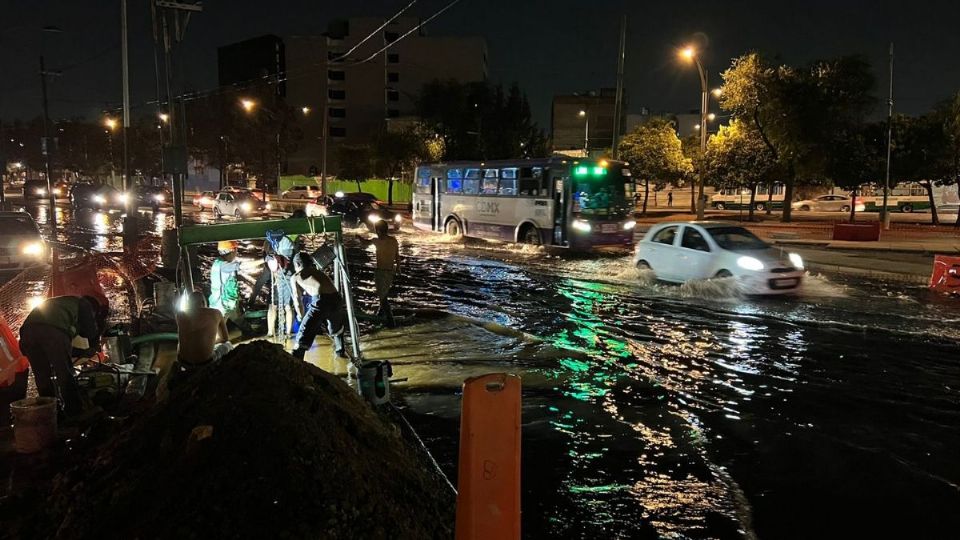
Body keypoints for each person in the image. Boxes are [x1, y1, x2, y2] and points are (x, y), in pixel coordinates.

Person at [19, 295, 107, 417]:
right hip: (53, 332)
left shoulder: (62, 304)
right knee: (64, 374)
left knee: (42, 377)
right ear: (94, 309)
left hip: (27, 333)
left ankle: (52, 414)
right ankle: (74, 411)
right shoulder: (84, 304)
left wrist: (81, 352)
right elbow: (89, 332)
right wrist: (95, 342)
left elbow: (59, 348)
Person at [290, 252, 347, 360]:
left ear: (297, 265)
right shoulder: (318, 272)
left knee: (303, 333)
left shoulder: (295, 277)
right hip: (337, 299)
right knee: (337, 330)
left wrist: (301, 316)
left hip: (321, 300)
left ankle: (296, 363)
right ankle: (341, 355)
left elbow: (297, 301)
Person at [176, 290, 233, 368]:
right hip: (205, 363)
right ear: (203, 302)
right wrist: (212, 342)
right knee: (228, 345)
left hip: (183, 362)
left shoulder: (180, 315)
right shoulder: (216, 313)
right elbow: (225, 338)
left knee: (179, 344)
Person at [209, 240, 255, 335]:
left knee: (237, 318)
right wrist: (264, 260)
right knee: (218, 330)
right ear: (233, 250)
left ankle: (249, 332)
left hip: (228, 301)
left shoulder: (219, 263)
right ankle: (217, 346)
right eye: (236, 250)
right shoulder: (224, 266)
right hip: (222, 304)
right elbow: (243, 266)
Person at [371, 220, 401, 326]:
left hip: (380, 272)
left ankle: (390, 319)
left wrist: (358, 238)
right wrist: (398, 267)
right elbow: (397, 255)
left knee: (382, 296)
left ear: (378, 230)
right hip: (390, 271)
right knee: (383, 294)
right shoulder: (393, 241)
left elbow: (364, 243)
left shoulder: (376, 241)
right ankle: (380, 314)